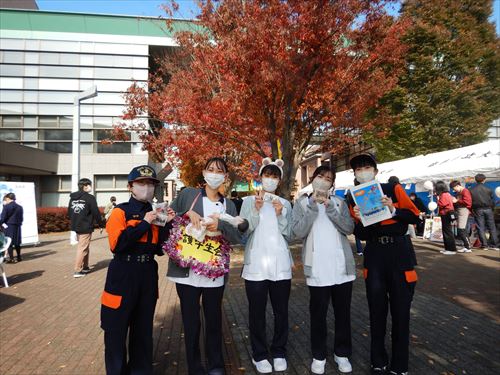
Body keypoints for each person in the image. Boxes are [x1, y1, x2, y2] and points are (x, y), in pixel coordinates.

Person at [167, 157, 247, 375]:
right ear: (203, 172)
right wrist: (186, 213)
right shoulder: (188, 195)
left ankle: (216, 365)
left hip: (214, 272)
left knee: (214, 321)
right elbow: (168, 216)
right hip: (187, 272)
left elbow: (236, 236)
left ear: (225, 177)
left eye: (219, 171)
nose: (214, 174)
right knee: (191, 323)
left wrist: (220, 224)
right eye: (210, 169)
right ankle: (195, 367)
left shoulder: (228, 204)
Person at [346, 153, 419, 375]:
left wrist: (394, 210)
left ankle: (400, 365)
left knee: (401, 312)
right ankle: (378, 361)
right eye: (359, 169)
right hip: (375, 255)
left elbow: (414, 216)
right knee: (376, 312)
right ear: (355, 174)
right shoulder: (353, 197)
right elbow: (360, 233)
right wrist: (358, 218)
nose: (363, 171)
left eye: (367, 167)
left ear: (376, 171)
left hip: (400, 253)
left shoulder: (392, 189)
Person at [101, 165, 174, 375]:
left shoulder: (156, 214)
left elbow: (160, 249)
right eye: (141, 183)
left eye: (151, 184)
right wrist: (144, 223)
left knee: (142, 331)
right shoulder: (119, 212)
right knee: (115, 329)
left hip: (148, 272)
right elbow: (117, 245)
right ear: (130, 186)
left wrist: (167, 224)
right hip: (122, 272)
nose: (147, 188)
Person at [292, 166, 355, 374]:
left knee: (343, 313)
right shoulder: (301, 203)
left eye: (329, 178)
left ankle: (342, 353)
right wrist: (312, 206)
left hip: (341, 268)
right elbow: (298, 232)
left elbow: (348, 228)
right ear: (312, 178)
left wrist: (329, 208)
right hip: (317, 269)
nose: (324, 181)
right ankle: (318, 355)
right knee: (318, 314)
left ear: (332, 183)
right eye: (321, 176)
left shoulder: (339, 202)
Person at [239, 158, 293, 373]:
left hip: (280, 265)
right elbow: (243, 231)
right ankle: (259, 354)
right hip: (256, 266)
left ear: (279, 181)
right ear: (260, 178)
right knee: (256, 312)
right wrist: (255, 210)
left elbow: (289, 234)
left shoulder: (285, 203)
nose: (270, 180)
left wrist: (280, 215)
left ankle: (279, 350)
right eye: (267, 176)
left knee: (281, 311)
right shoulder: (248, 201)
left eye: (275, 176)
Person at [68, 178, 105, 278]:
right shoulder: (90, 198)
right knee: (82, 248)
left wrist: (75, 222)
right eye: (89, 185)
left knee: (85, 247)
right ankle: (77, 270)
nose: (90, 187)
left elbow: (69, 212)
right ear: (85, 186)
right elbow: (96, 213)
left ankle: (85, 266)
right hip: (85, 226)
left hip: (76, 225)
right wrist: (101, 224)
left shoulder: (73, 197)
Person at [470, 174, 499, 250]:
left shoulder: (472, 190)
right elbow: (492, 200)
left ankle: (484, 245)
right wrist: (492, 208)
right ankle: (494, 245)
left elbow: (471, 202)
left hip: (478, 209)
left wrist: (472, 209)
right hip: (488, 209)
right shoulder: (488, 188)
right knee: (492, 227)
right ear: (484, 179)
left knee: (480, 227)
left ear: (475, 180)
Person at [435, 181, 458, 255]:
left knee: (447, 232)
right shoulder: (446, 194)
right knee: (446, 231)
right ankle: (448, 248)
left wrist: (438, 199)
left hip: (446, 214)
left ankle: (451, 249)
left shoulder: (444, 194)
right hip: (446, 214)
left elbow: (442, 204)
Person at [449, 181, 472, 252]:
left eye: (454, 188)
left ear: (457, 186)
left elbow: (468, 202)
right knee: (462, 229)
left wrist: (457, 200)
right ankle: (467, 246)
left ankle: (468, 247)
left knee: (461, 229)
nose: (454, 190)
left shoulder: (465, 191)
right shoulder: (460, 192)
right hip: (460, 211)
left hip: (464, 211)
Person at [0, 193, 24, 263]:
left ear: (7, 198)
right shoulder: (20, 207)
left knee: (9, 242)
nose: (5, 201)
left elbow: (3, 218)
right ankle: (19, 257)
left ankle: (11, 258)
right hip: (18, 226)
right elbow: (21, 218)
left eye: (5, 199)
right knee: (17, 242)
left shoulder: (6, 207)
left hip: (9, 226)